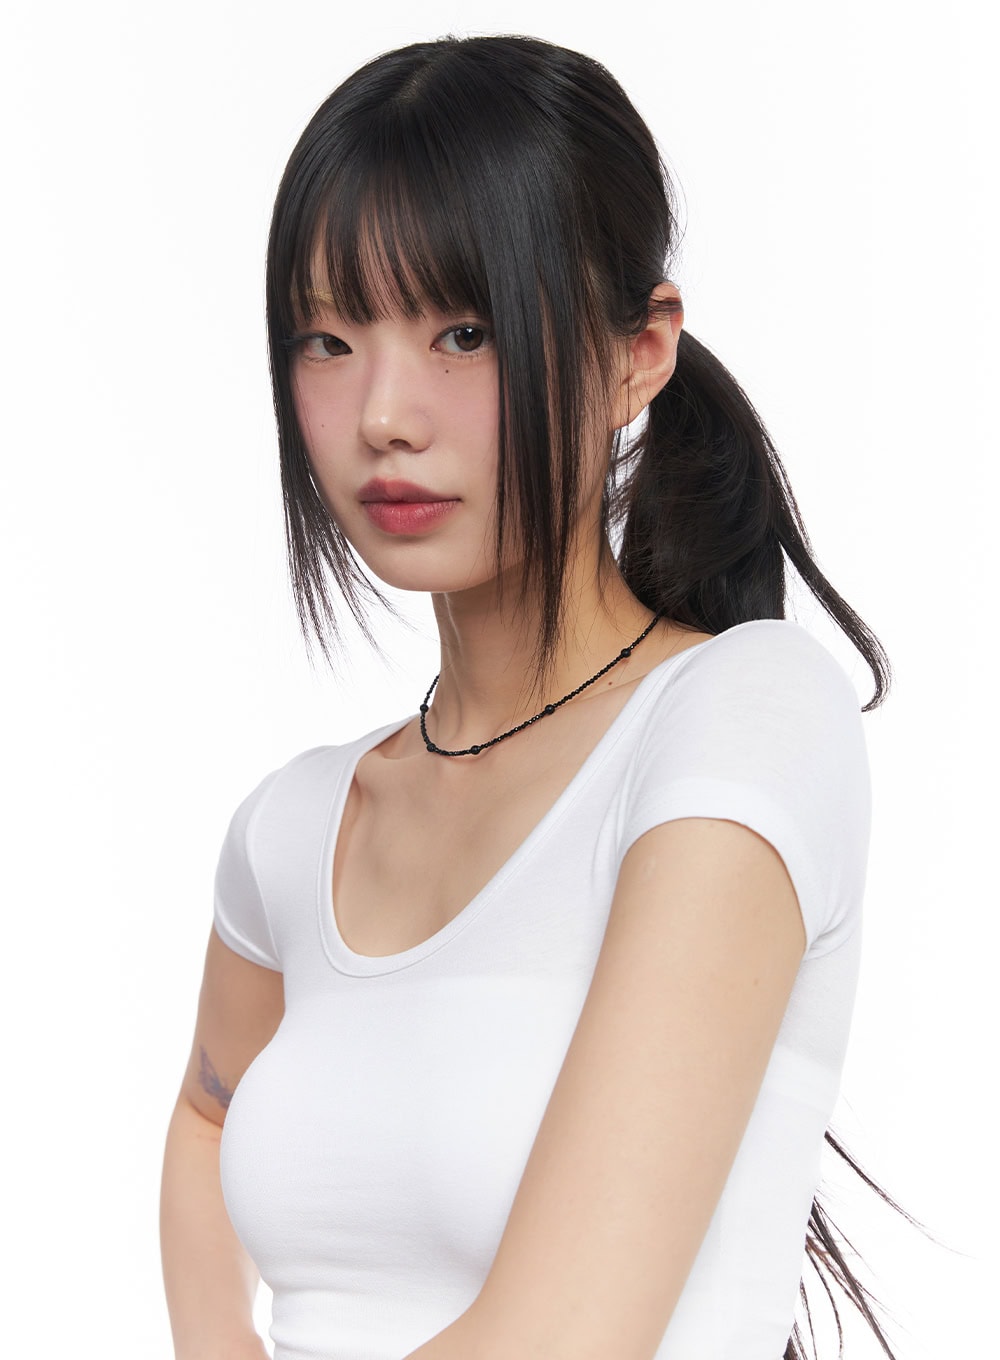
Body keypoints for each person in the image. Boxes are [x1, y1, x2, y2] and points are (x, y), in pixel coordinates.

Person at [160, 34, 897, 1360]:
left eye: (466, 331)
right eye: (328, 338)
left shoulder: (742, 716)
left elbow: (564, 1334)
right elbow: (209, 1116)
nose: (384, 413)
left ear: (639, 353)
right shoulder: (296, 825)